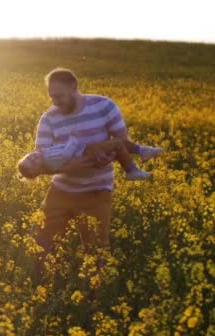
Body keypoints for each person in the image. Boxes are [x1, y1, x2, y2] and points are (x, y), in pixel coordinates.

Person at [28, 67, 159, 279]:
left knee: (96, 253)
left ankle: (94, 306)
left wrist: (111, 157)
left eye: (59, 95)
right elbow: (40, 162)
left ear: (74, 87)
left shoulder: (104, 106)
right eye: (51, 96)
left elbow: (121, 143)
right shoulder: (48, 119)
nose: (55, 102)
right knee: (40, 244)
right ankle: (41, 290)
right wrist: (76, 166)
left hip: (97, 193)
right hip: (60, 192)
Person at [17, 134, 163, 181]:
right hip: (85, 151)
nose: (32, 157)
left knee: (118, 143)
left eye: (28, 157)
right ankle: (131, 170)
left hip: (84, 149)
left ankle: (143, 150)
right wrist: (73, 140)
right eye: (32, 162)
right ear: (38, 169)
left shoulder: (45, 155)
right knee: (117, 144)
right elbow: (66, 154)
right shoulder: (49, 160)